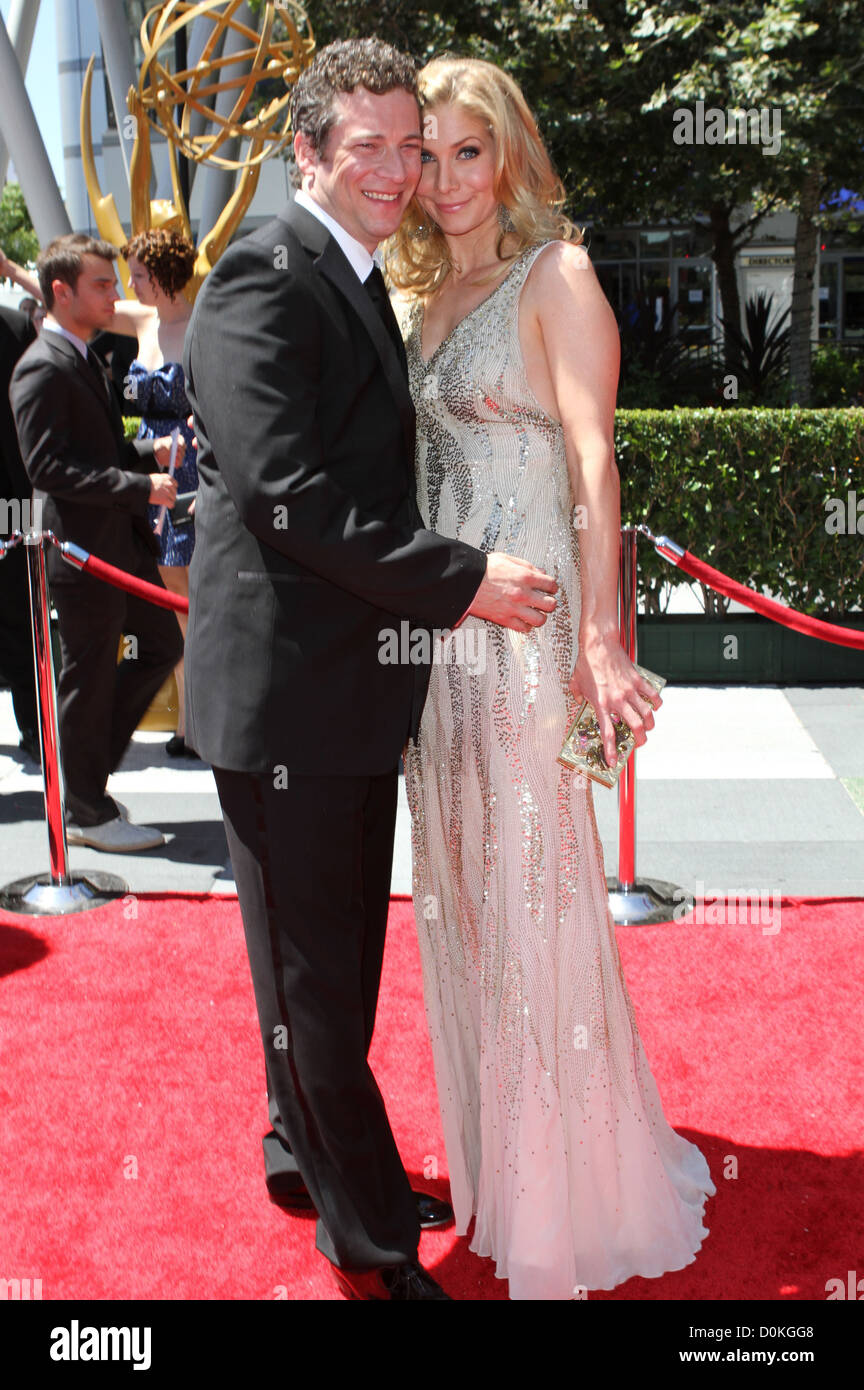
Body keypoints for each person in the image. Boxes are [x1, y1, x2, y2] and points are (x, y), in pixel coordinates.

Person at [183, 38, 557, 1301]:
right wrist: (464, 580)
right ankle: (376, 1240)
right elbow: (286, 497)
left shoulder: (344, 272)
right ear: (308, 152)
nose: (400, 169)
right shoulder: (263, 274)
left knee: (331, 962)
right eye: (371, 146)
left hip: (343, 691)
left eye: (414, 142)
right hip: (287, 696)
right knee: (315, 977)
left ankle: (303, 1148)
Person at [385, 55, 716, 1299]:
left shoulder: (555, 276)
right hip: (441, 661)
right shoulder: (421, 300)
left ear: (511, 153)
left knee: (535, 908)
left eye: (471, 151)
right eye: (429, 154)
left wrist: (602, 639)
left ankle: (572, 1191)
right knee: (465, 909)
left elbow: (595, 467)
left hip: (526, 656)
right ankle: (505, 1170)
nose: (447, 177)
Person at [10, 234, 184, 852]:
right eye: (102, 285)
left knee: (158, 645)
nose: (116, 295)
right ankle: (85, 806)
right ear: (62, 291)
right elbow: (49, 470)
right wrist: (139, 483)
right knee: (86, 680)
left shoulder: (84, 356)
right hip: (82, 555)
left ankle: (86, 785)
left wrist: (147, 452)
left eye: (115, 282)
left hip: (118, 549)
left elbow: (98, 452)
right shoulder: (41, 367)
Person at [110, 228, 199, 759]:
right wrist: (10, 272)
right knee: (169, 600)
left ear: (164, 275)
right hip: (143, 463)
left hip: (187, 472)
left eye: (139, 274)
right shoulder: (142, 318)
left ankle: (195, 722)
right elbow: (78, 302)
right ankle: (188, 721)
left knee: (186, 597)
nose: (130, 283)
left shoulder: (202, 321)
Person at [0, 302, 38, 761]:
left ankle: (32, 727)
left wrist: (33, 509)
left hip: (10, 501)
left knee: (17, 613)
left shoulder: (13, 326)